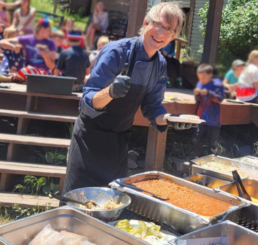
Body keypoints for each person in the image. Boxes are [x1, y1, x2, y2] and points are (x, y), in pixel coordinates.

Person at [61, 2, 190, 196]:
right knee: (78, 202)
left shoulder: (160, 64)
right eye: (158, 25)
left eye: (170, 30)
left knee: (112, 201)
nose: (162, 33)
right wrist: (110, 92)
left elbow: (152, 106)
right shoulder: (116, 52)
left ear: (173, 36)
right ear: (146, 22)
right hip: (89, 140)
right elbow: (86, 102)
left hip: (118, 143)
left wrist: (169, 120)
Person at [192, 64, 224, 157]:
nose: (201, 80)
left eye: (203, 77)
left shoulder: (217, 84)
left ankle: (212, 162)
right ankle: (201, 158)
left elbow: (220, 99)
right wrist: (197, 94)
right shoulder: (200, 84)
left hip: (214, 119)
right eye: (200, 78)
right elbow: (198, 99)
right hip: (202, 118)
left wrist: (209, 92)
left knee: (212, 144)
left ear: (210, 75)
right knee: (195, 139)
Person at [54, 28, 90, 92]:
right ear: (80, 40)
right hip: (79, 87)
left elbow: (56, 72)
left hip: (65, 86)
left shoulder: (64, 53)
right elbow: (87, 73)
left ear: (68, 39)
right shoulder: (85, 54)